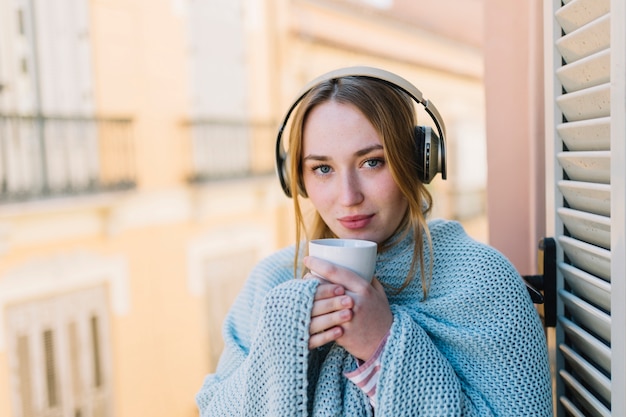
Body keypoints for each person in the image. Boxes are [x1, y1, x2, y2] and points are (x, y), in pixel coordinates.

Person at [195, 66, 553, 416]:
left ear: (417, 162)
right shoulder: (271, 282)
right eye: (323, 169)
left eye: (372, 162)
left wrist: (382, 342)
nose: (348, 196)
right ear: (298, 180)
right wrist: (280, 347)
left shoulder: (483, 279)